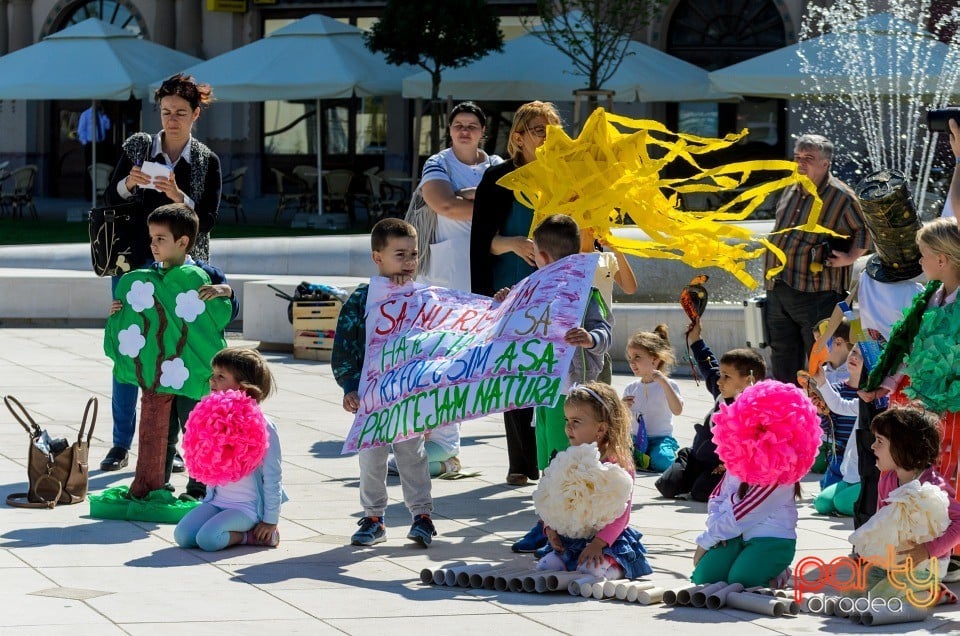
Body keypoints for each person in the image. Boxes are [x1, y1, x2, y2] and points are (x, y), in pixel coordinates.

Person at [100, 74, 222, 474]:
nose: (172, 119)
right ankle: (120, 443)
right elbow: (108, 199)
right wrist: (127, 184)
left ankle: (181, 443)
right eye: (166, 111)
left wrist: (179, 197)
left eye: (181, 113)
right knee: (128, 348)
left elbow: (208, 219)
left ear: (196, 115)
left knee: (180, 353)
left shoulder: (205, 160)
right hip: (133, 264)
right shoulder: (138, 145)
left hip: (183, 271)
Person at [109, 204, 239, 499]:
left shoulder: (206, 273)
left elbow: (223, 314)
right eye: (151, 238)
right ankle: (159, 484)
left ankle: (199, 486)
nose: (153, 245)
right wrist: (119, 311)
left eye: (160, 239)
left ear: (182, 242)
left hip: (194, 370)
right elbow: (138, 314)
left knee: (196, 428)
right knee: (162, 432)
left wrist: (227, 292)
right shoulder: (147, 276)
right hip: (160, 370)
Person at [501, 214, 611, 554]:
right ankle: (546, 525)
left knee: (573, 465)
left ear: (540, 256)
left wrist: (590, 338)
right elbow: (512, 327)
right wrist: (504, 304)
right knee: (549, 463)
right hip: (545, 396)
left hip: (574, 398)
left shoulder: (587, 294)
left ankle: (571, 529)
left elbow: (605, 331)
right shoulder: (531, 291)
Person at [860, 216, 960, 578]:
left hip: (954, 404)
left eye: (923, 254)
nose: (918, 262)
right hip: (925, 398)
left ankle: (946, 548)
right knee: (925, 470)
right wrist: (885, 382)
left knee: (948, 475)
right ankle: (920, 543)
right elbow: (909, 349)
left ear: (942, 260)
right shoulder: (930, 297)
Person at [471, 101, 561, 488]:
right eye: (540, 130)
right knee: (515, 370)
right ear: (519, 137)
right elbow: (481, 243)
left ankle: (551, 455)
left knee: (551, 370)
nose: (547, 136)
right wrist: (513, 242)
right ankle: (520, 462)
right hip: (510, 283)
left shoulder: (562, 177)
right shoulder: (497, 178)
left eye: (552, 129)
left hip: (555, 286)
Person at [332, 218, 436, 548]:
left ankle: (422, 516)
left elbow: (436, 347)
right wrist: (349, 385)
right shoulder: (363, 299)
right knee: (372, 458)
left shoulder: (423, 299)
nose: (408, 262)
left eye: (413, 254)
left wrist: (433, 398)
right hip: (372, 396)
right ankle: (373, 517)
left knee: (413, 456)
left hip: (409, 395)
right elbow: (345, 343)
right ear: (377, 257)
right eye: (399, 254)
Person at [691, 380, 821, 588]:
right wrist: (716, 530)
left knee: (743, 581)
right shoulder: (739, 457)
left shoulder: (781, 470)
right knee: (704, 578)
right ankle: (748, 560)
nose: (759, 434)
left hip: (771, 538)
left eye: (766, 428)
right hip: (734, 533)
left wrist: (706, 541)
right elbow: (717, 496)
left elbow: (745, 511)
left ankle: (778, 569)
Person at [763, 134, 868, 384]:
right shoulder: (791, 189)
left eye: (808, 158)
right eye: (797, 157)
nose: (800, 163)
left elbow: (867, 230)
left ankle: (823, 418)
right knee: (782, 357)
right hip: (780, 288)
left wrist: (850, 257)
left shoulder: (842, 196)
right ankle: (785, 413)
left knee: (822, 361)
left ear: (825, 163)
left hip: (819, 294)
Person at [534, 382, 652, 580]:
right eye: (567, 420)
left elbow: (622, 514)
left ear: (600, 429)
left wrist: (598, 543)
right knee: (547, 566)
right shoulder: (567, 459)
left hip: (605, 538)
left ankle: (614, 567)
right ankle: (568, 558)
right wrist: (551, 528)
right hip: (571, 536)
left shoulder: (616, 465)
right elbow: (552, 497)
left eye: (576, 421)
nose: (568, 427)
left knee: (592, 569)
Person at [173, 348, 285, 551]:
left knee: (208, 540)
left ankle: (251, 537)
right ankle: (226, 526)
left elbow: (272, 476)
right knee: (183, 536)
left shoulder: (263, 425)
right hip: (217, 502)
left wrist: (270, 520)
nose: (212, 381)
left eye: (221, 376)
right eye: (213, 375)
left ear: (243, 386)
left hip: (247, 508)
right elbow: (211, 466)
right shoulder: (211, 417)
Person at [656, 318, 765, 501]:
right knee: (666, 486)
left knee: (702, 493)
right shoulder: (722, 391)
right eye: (721, 375)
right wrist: (695, 339)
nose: (720, 380)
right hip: (696, 457)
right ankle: (688, 463)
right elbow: (708, 365)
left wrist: (728, 466)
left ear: (748, 380)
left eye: (727, 377)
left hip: (722, 464)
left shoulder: (756, 410)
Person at [860, 407, 960, 601]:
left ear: (902, 447)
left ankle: (933, 592)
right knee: (860, 588)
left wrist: (928, 550)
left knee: (883, 597)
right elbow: (881, 521)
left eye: (879, 441)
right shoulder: (887, 479)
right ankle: (924, 592)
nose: (872, 446)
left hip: (925, 565)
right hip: (895, 560)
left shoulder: (932, 487)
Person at [416, 101, 503, 292]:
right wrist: (487, 203)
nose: (465, 131)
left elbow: (506, 204)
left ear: (482, 131)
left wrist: (462, 195)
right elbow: (446, 206)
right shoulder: (437, 162)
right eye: (459, 126)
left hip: (490, 258)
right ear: (450, 130)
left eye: (472, 127)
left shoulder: (496, 164)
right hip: (448, 264)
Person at [622, 325, 683, 473]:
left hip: (660, 438)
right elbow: (620, 419)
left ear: (654, 360)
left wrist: (663, 383)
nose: (632, 362)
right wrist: (622, 406)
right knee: (616, 455)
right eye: (630, 358)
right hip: (635, 439)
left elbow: (677, 410)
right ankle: (643, 459)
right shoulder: (631, 387)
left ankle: (651, 458)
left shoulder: (668, 385)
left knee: (662, 459)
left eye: (637, 357)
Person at [581, 226, 638, 383]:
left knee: (602, 399)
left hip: (600, 339)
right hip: (576, 340)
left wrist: (618, 252)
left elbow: (630, 288)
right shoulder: (567, 259)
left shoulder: (607, 258)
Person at [78, 104, 111, 200]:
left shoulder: (100, 114)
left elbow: (107, 126)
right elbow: (81, 131)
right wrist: (86, 143)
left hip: (100, 144)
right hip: (90, 144)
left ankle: (100, 193)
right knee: (90, 169)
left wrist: (104, 115)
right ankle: (89, 194)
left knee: (100, 168)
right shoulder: (86, 114)